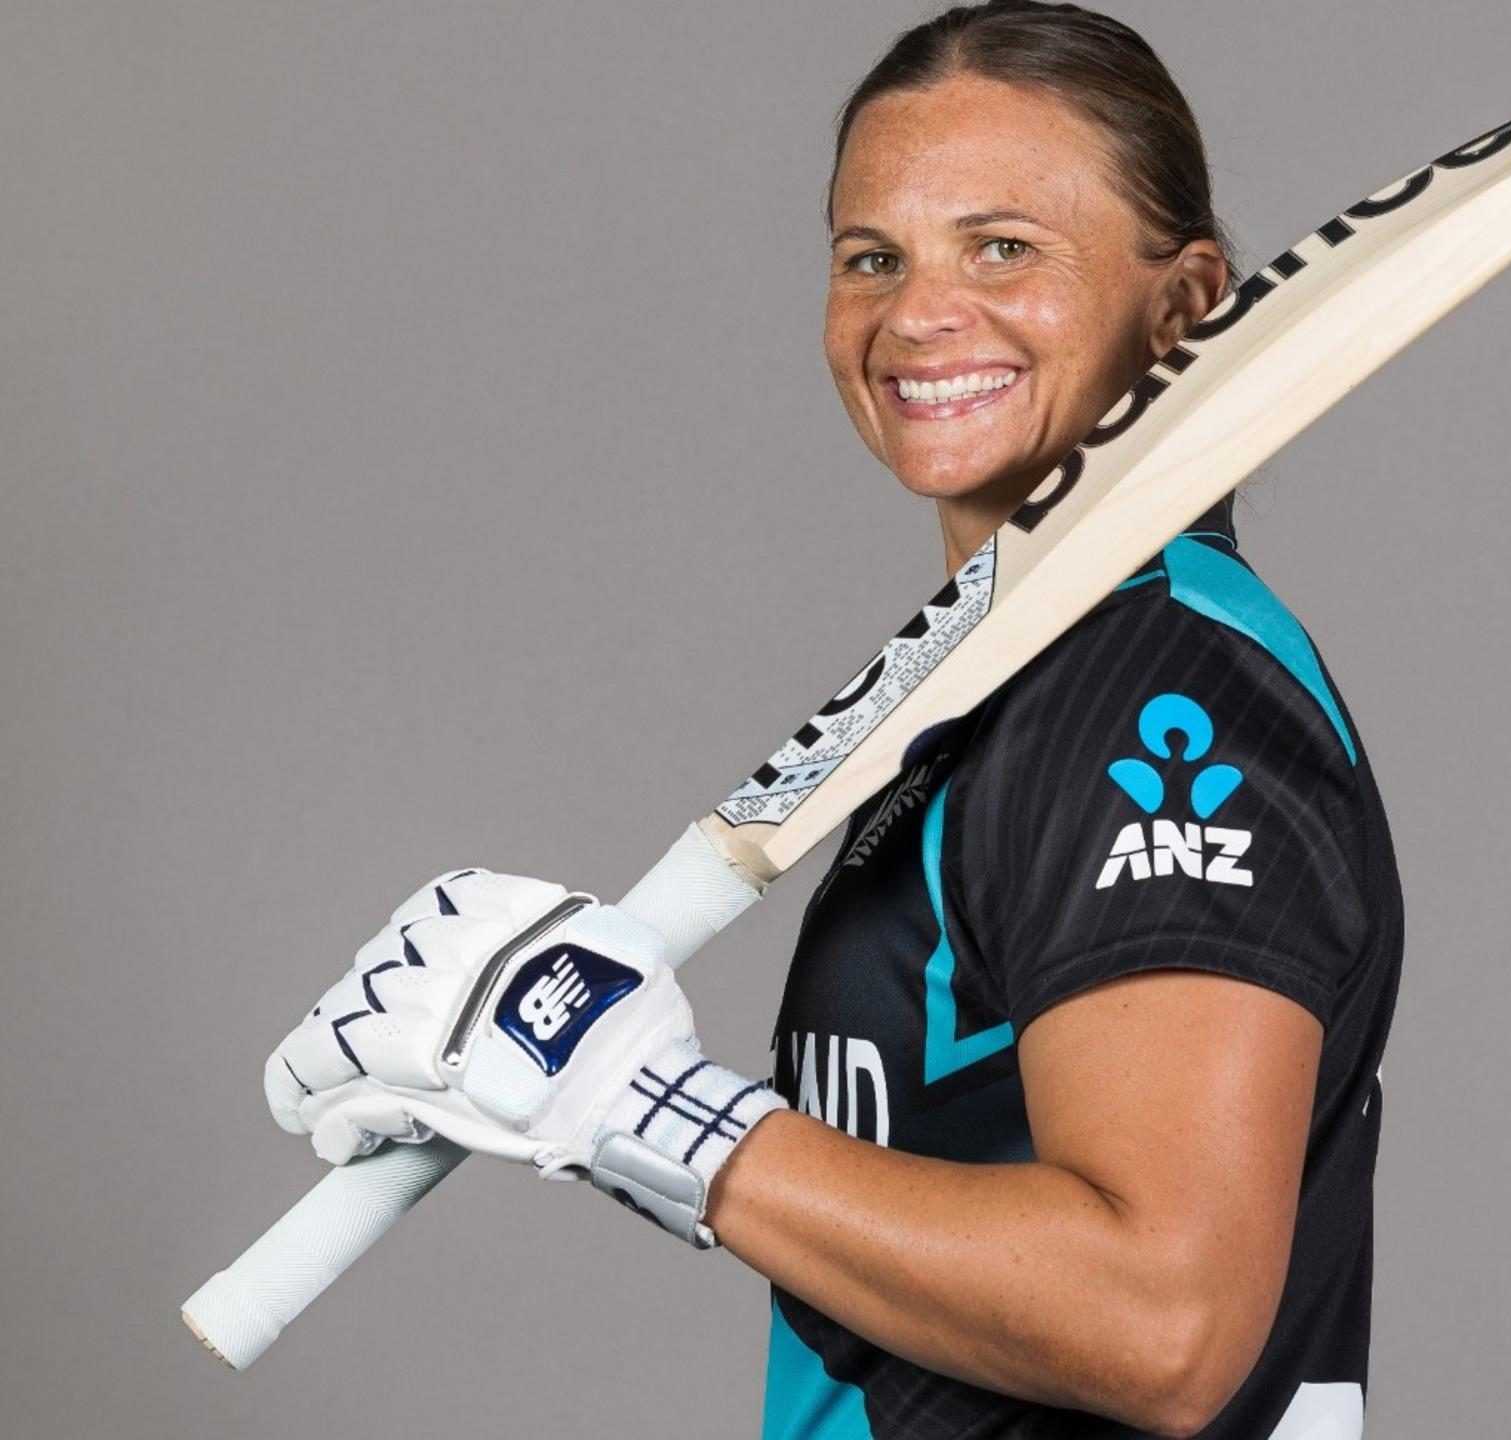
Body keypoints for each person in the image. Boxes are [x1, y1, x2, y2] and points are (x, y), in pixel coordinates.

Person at [266, 4, 1403, 1436]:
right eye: (872, 257)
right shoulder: (1015, 688)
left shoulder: (1156, 694)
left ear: (1183, 307)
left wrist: (643, 1109)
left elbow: (1162, 1319)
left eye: (1003, 247)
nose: (916, 315)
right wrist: (584, 1102)